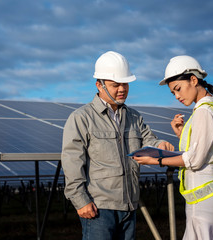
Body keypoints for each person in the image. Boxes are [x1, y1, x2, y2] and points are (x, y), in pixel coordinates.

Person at [61, 51, 174, 240]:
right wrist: (81, 201)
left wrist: (160, 144)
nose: (122, 89)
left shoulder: (134, 117)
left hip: (129, 206)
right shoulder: (82, 118)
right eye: (116, 85)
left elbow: (148, 140)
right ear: (99, 84)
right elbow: (72, 162)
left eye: (125, 83)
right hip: (99, 207)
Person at [133, 55, 213, 239]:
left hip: (204, 194)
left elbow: (194, 159)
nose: (177, 96)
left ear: (193, 80)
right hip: (211, 191)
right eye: (173, 93)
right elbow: (202, 150)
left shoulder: (203, 112)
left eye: (178, 89)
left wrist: (155, 160)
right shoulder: (211, 109)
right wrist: (180, 134)